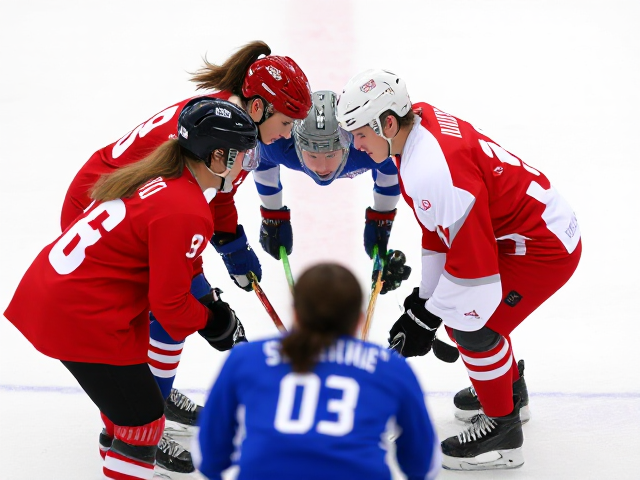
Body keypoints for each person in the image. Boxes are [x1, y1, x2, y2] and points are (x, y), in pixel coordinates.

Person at [60, 41, 312, 472]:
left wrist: (235, 250)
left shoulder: (234, 127)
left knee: (171, 311)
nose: (287, 135)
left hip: (128, 207)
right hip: (101, 207)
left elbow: (216, 198)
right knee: (169, 312)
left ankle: (149, 394)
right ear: (257, 107)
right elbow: (179, 225)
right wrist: (206, 298)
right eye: (286, 123)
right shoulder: (216, 129)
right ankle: (136, 424)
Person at [336, 69, 582, 470]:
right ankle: (508, 393)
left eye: (360, 133)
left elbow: (473, 267)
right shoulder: (415, 134)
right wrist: (423, 301)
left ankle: (503, 432)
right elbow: (440, 234)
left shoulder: (432, 170)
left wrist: (430, 317)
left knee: (471, 327)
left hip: (541, 248)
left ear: (388, 122)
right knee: (465, 316)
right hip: (522, 231)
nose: (357, 145)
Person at [4, 97, 259, 480]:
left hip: (57, 299)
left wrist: (209, 305)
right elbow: (170, 306)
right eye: (245, 156)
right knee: (143, 422)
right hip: (78, 316)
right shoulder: (188, 209)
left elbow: (173, 261)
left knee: (126, 411)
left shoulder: (161, 178)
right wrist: (211, 320)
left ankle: (120, 461)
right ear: (218, 157)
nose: (247, 166)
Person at [193, 263, 440, 480]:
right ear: (358, 320)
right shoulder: (390, 368)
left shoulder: (246, 359)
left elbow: (210, 458)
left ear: (296, 314)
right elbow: (423, 464)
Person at [255, 90, 411, 293]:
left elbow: (390, 168)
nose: (322, 167)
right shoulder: (278, 147)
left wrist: (273, 214)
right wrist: (272, 215)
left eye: (331, 155)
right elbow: (262, 159)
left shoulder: (362, 145)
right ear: (298, 146)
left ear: (347, 146)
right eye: (312, 155)